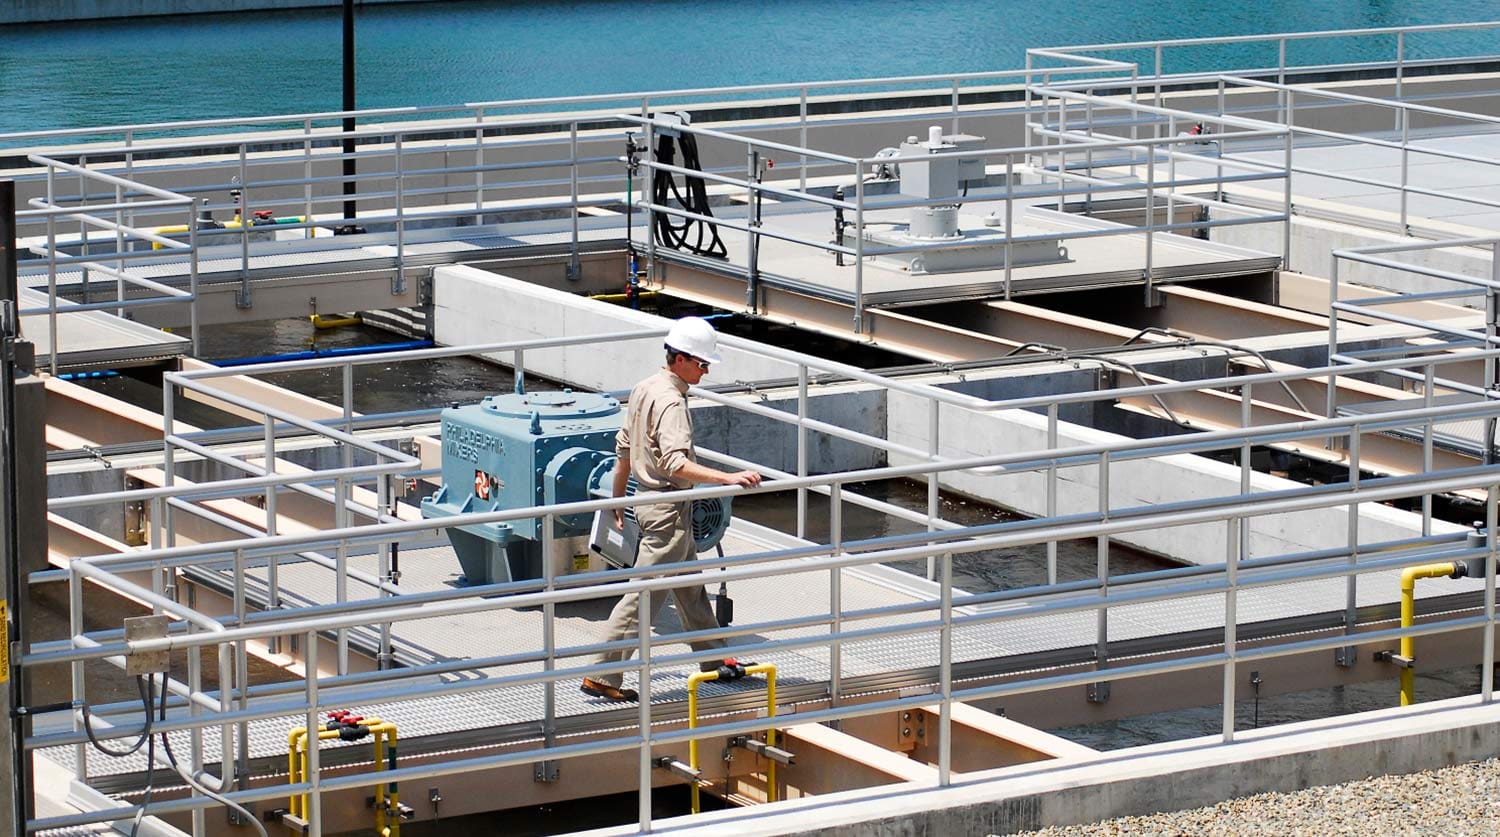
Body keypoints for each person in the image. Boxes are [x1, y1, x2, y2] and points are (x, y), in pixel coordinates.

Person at [581, 316, 763, 702]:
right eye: (701, 363)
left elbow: (624, 449)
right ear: (679, 359)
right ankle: (602, 673)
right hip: (667, 507)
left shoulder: (645, 387)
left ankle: (714, 661)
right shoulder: (671, 402)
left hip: (650, 502)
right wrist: (726, 478)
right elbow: (675, 464)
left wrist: (619, 498)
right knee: (643, 596)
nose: (706, 369)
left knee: (690, 589)